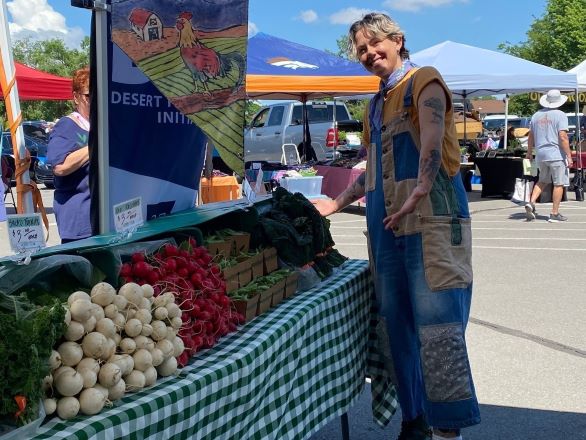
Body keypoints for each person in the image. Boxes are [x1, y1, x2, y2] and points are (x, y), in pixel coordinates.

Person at [312, 13, 480, 440]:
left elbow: (431, 134)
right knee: (396, 324)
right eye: (362, 50)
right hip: (387, 227)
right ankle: (414, 418)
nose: (370, 54)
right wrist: (336, 201)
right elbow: (371, 167)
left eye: (375, 44)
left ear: (398, 40)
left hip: (431, 220)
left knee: (438, 324)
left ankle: (447, 427)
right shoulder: (373, 103)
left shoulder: (423, 80)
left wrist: (424, 182)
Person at [47, 67, 91, 243]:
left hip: (106, 218)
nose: (95, 100)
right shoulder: (67, 125)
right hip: (80, 222)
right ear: (76, 97)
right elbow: (60, 166)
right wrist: (97, 144)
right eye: (89, 95)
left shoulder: (103, 124)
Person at [524, 89, 572, 222]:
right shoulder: (560, 115)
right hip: (556, 154)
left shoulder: (536, 115)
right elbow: (563, 136)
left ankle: (531, 202)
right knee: (558, 184)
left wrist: (529, 152)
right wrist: (568, 155)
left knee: (542, 180)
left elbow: (531, 136)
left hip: (541, 154)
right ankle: (554, 213)